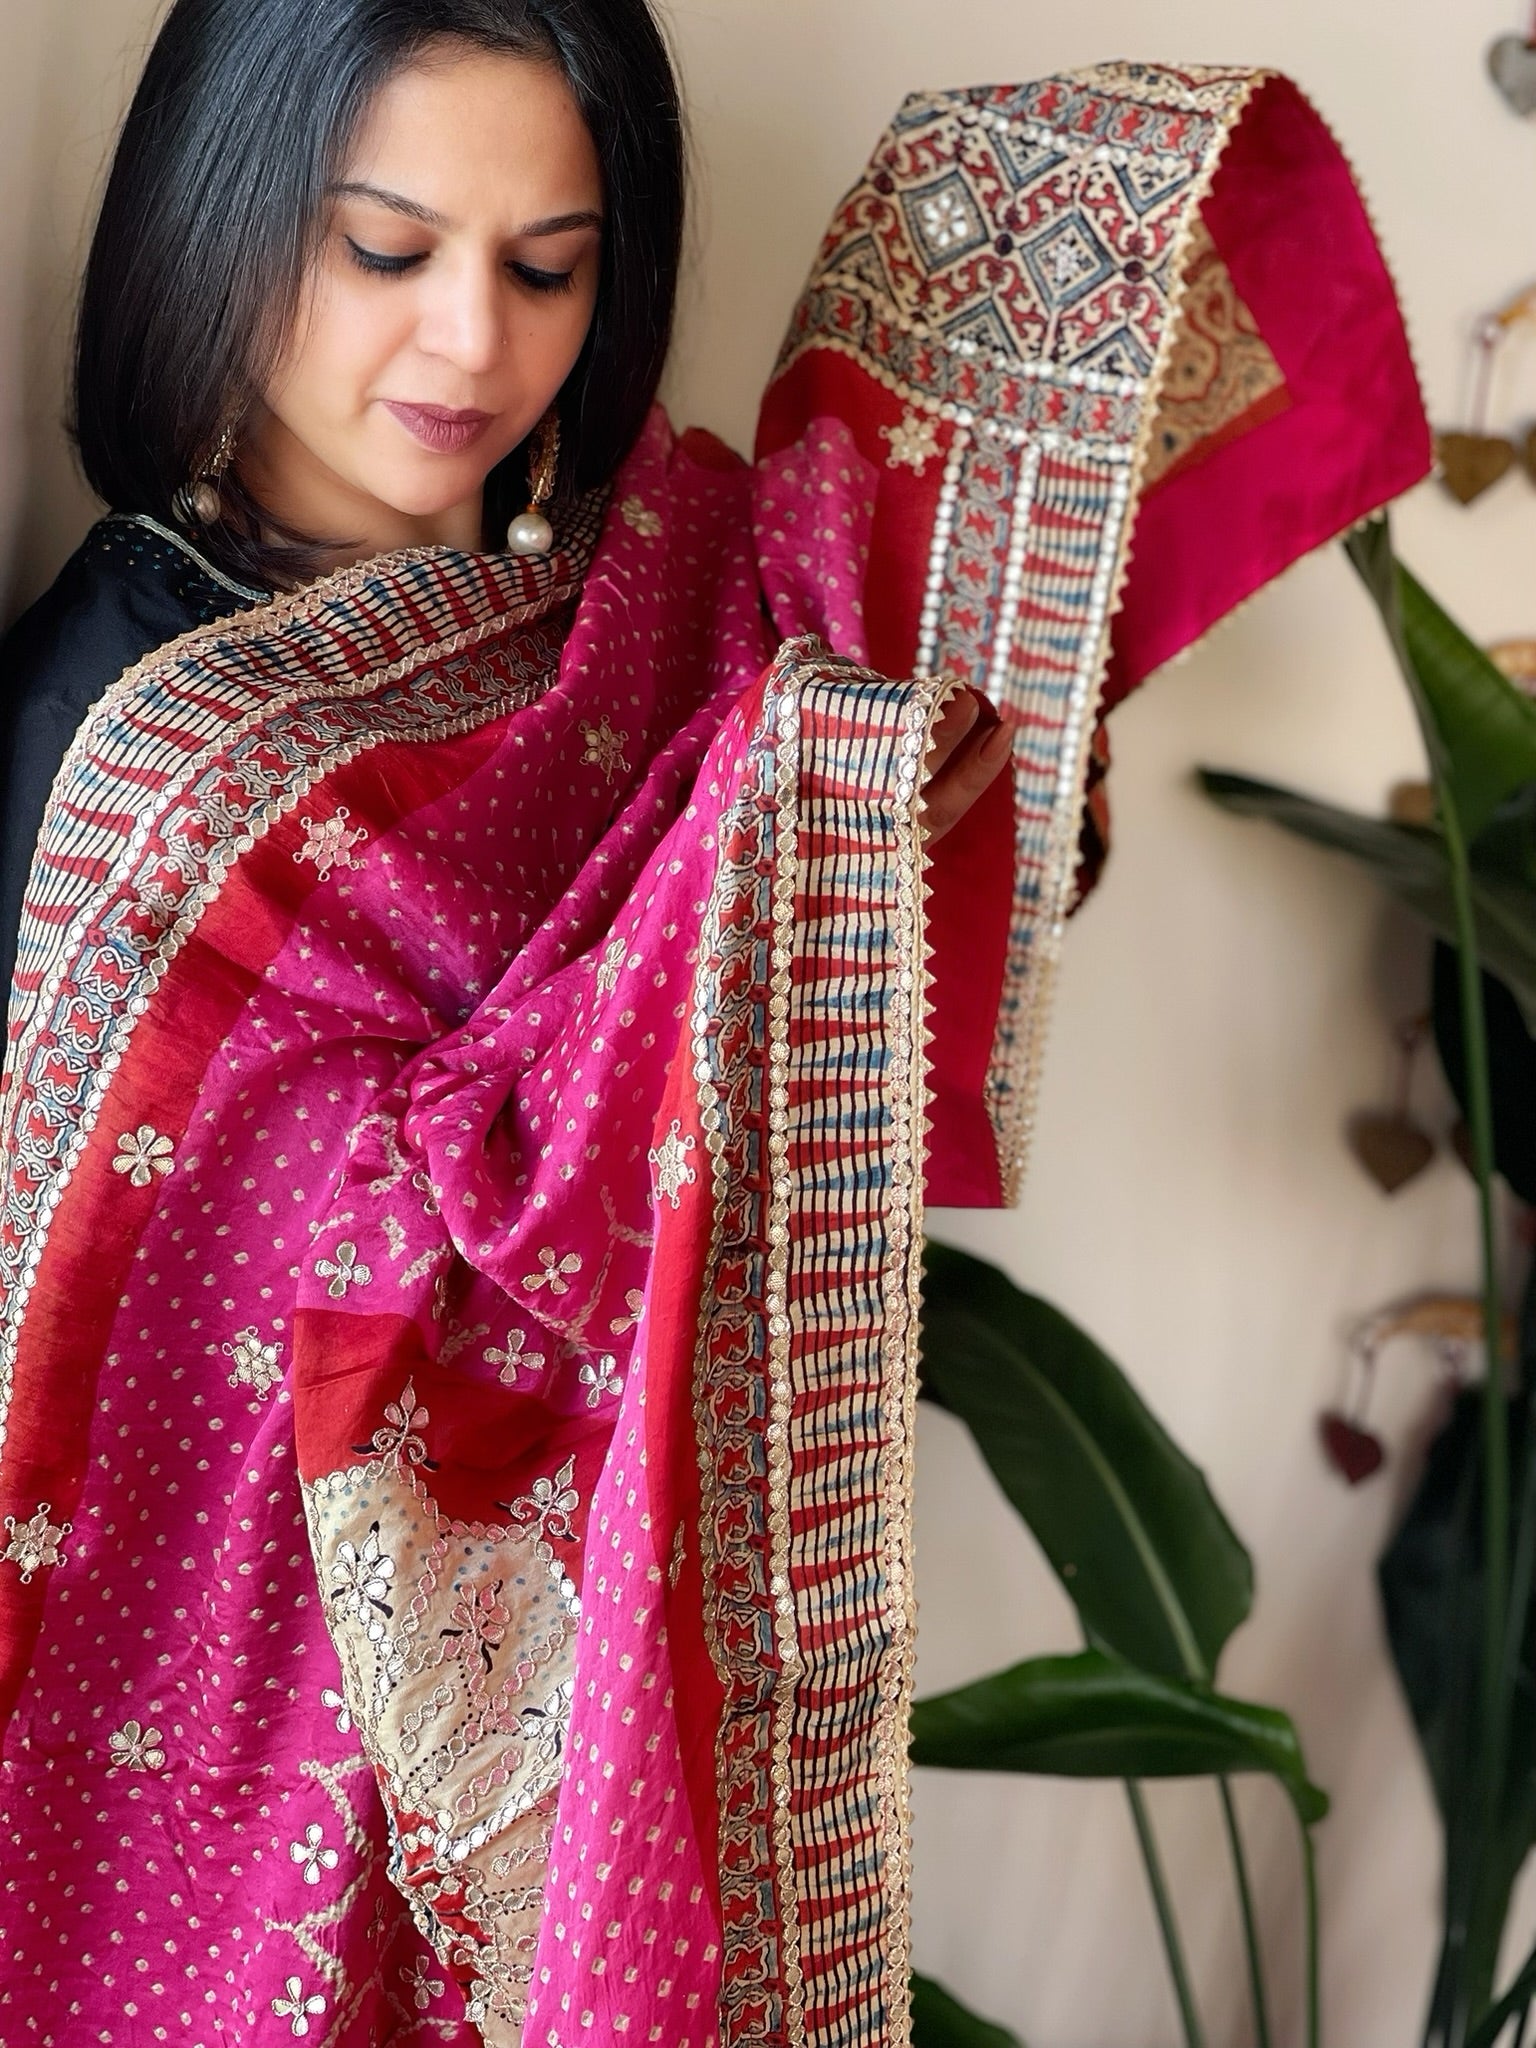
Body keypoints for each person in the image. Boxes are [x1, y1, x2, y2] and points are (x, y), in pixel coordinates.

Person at [0, 3, 1428, 2042]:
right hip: (235, 1749)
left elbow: (847, 897)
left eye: (548, 265)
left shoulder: (631, 594)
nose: (473, 349)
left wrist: (847, 799)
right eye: (384, 251)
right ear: (209, 222)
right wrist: (737, 882)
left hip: (631, 1652)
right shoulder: (131, 739)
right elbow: (184, 1296)